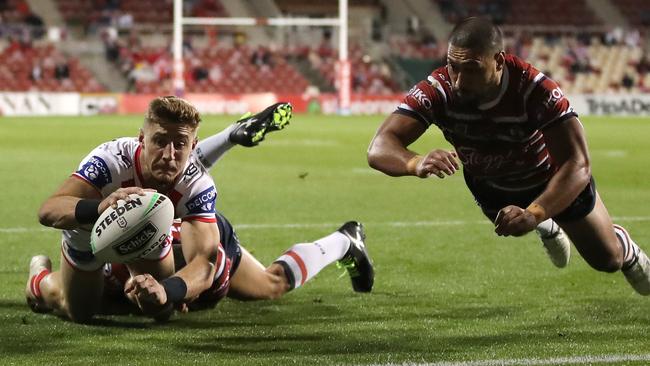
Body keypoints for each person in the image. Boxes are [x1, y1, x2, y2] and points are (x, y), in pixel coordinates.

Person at [367, 17, 650, 296]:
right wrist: (415, 162)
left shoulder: (535, 89)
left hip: (551, 181)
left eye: (472, 69)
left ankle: (623, 246)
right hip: (491, 185)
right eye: (453, 67)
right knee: (514, 227)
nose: (459, 81)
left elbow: (577, 164)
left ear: (499, 61)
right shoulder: (439, 89)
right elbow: (379, 147)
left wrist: (534, 212)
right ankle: (546, 226)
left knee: (608, 261)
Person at [26, 98, 374, 322]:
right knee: (84, 310)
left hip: (183, 235)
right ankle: (38, 281)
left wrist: (170, 292)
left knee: (270, 285)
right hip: (113, 233)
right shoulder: (110, 160)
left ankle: (345, 241)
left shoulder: (198, 182)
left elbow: (203, 264)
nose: (169, 153)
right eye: (160, 141)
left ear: (191, 147)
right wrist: (99, 206)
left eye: (180, 145)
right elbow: (49, 209)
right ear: (141, 139)